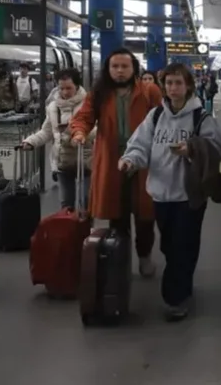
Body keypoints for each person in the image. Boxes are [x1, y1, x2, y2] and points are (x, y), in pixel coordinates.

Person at [120, 63, 221, 321]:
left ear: (188, 85)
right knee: (169, 245)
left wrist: (191, 149)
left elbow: (216, 148)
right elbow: (140, 143)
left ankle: (175, 299)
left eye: (178, 83)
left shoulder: (201, 118)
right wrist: (130, 160)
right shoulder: (155, 116)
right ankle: (183, 283)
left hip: (190, 195)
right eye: (168, 83)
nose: (173, 88)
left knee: (182, 246)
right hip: (161, 194)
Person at [69, 49, 164, 278]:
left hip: (143, 162)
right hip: (112, 163)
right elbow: (84, 117)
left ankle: (144, 256)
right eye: (115, 66)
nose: (119, 71)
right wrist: (79, 132)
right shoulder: (99, 93)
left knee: (145, 215)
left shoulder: (149, 91)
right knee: (117, 215)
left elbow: (163, 120)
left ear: (134, 69)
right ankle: (120, 258)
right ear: (108, 69)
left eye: (124, 66)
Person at [22, 68, 92, 211]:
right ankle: (67, 231)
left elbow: (97, 129)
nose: (65, 92)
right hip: (62, 160)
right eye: (62, 88)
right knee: (66, 204)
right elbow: (47, 131)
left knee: (86, 202)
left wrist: (77, 133)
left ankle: (85, 229)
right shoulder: (53, 107)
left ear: (77, 86)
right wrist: (30, 141)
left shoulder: (89, 104)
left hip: (86, 160)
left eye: (69, 88)